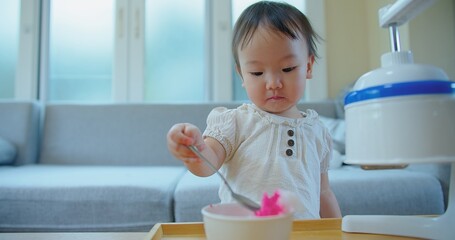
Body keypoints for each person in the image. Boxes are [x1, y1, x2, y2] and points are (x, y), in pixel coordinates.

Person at [167, 1, 341, 219]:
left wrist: (337, 230)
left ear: (307, 66)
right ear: (242, 75)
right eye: (257, 73)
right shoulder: (236, 122)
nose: (273, 83)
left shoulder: (318, 132)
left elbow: (323, 192)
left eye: (287, 69)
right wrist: (195, 150)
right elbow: (208, 164)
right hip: (246, 231)